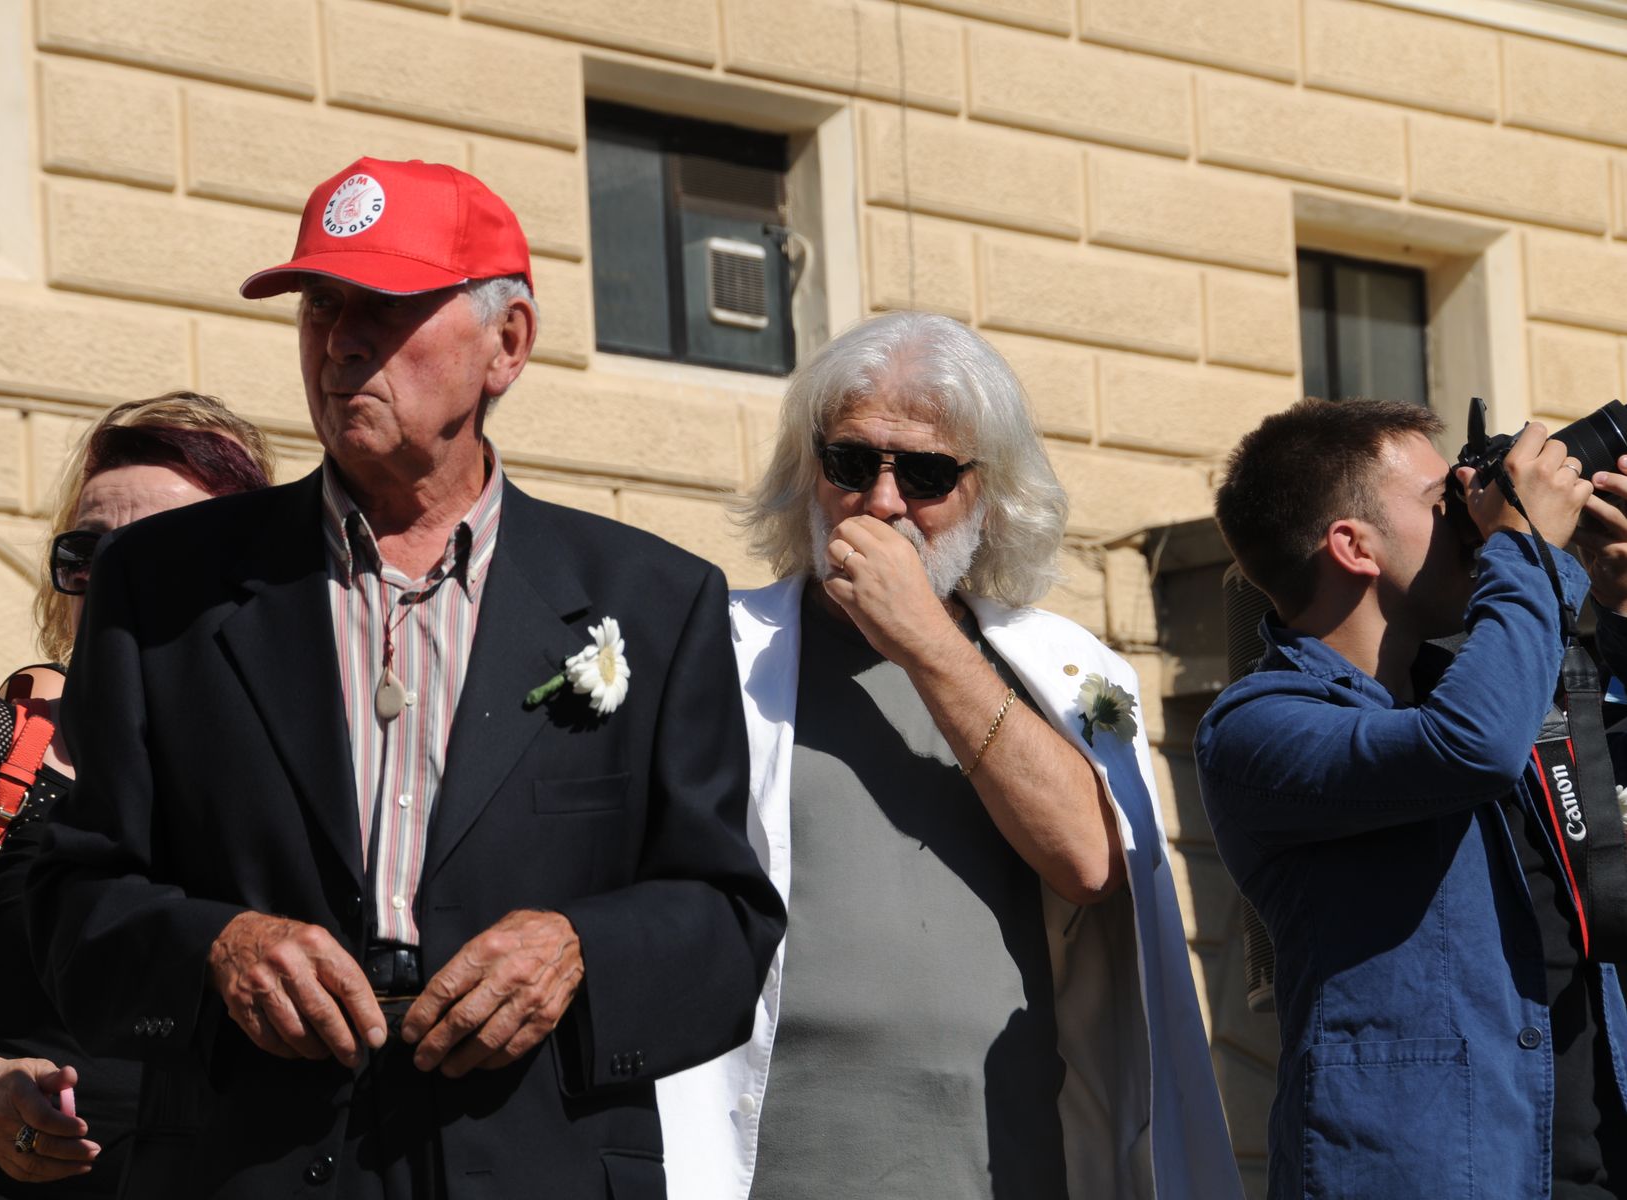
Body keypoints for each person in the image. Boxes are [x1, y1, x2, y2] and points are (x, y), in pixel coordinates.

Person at [25, 157, 785, 1200]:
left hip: (531, 1165)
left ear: (507, 344)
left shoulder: (651, 602)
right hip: (246, 1165)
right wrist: (219, 948)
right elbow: (71, 901)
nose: (339, 342)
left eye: (384, 307)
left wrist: (577, 950)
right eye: (320, 307)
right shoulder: (164, 588)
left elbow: (726, 922)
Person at [656, 311, 1238, 1200]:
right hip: (768, 1167)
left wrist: (925, 640)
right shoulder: (714, 650)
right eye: (851, 463)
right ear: (809, 472)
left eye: (925, 474)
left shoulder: (1061, 669)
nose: (882, 502)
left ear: (989, 496)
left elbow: (1091, 860)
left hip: (998, 1167)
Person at [0, 392, 273, 1197]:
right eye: (85, 553)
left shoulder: (299, 771)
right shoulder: (0, 748)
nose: (107, 581)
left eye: (153, 551)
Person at [1197, 399, 1627, 1198]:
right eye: (1441, 500)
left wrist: (1619, 608)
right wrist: (1526, 546)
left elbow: (1605, 794)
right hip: (1429, 1174)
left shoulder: (1492, 683)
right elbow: (1470, 747)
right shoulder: (1257, 729)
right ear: (1352, 546)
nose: (1472, 507)